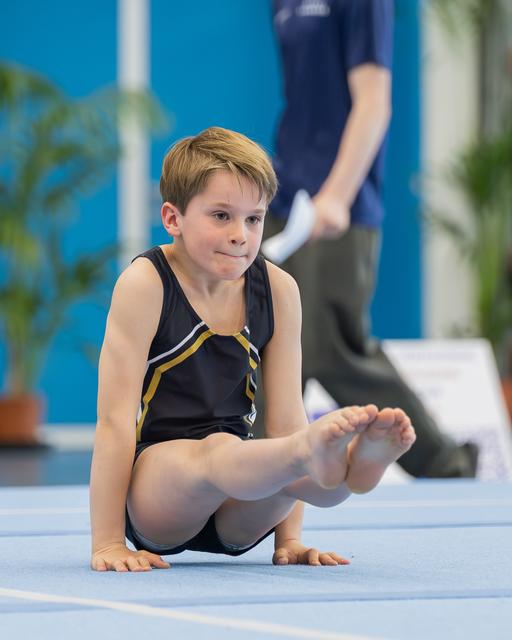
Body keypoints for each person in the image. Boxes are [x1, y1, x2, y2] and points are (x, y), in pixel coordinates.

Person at [89, 126, 416, 572]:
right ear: (173, 219)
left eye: (254, 218)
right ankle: (324, 463)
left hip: (240, 497)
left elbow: (285, 420)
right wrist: (109, 542)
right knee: (224, 452)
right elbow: (113, 423)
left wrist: (291, 540)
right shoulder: (147, 284)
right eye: (221, 216)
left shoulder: (278, 290)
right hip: (161, 495)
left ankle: (357, 467)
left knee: (288, 474)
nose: (241, 234)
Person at [266, 0, 478, 478]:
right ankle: (262, 479)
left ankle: (446, 462)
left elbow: (373, 101)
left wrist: (337, 195)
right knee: (275, 343)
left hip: (338, 201)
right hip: (286, 200)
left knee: (328, 346)